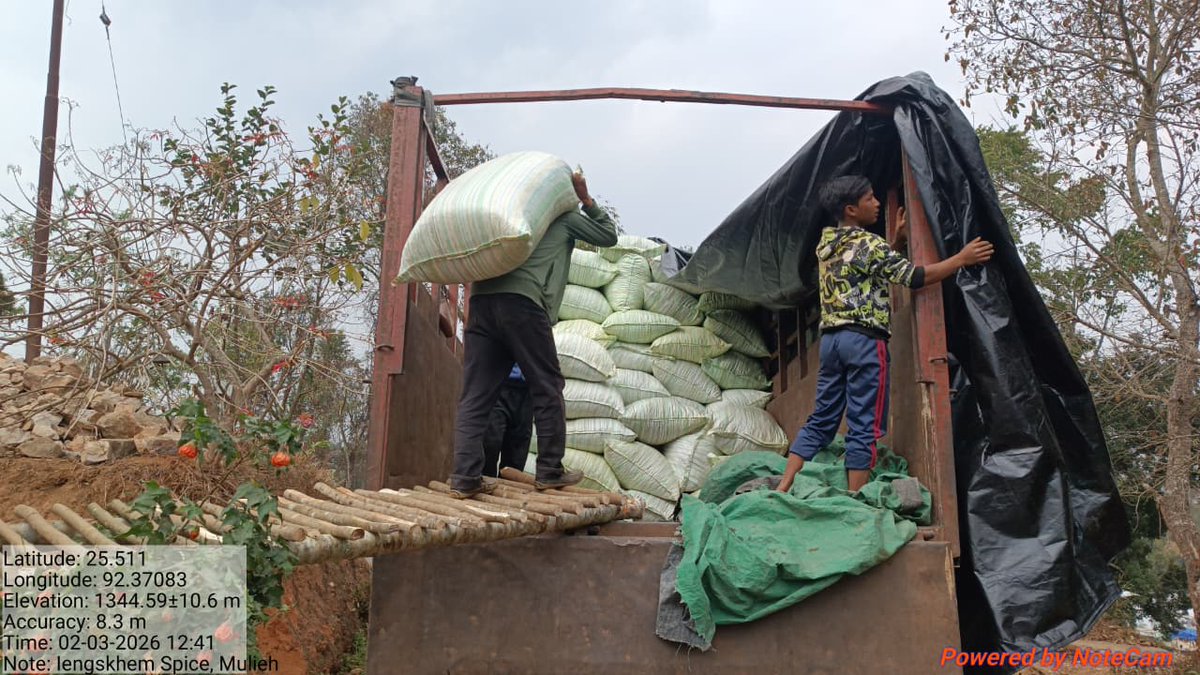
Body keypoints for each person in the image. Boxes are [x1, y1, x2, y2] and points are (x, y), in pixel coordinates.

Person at [777, 175, 994, 494]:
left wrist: (897, 242)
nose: (877, 204)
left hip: (832, 343)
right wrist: (962, 259)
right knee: (863, 422)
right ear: (851, 209)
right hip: (864, 342)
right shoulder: (868, 244)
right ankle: (854, 498)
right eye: (870, 199)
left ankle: (783, 486)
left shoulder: (827, 247)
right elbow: (915, 277)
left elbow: (867, 271)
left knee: (822, 418)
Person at [449, 171, 619, 497]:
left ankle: (464, 478)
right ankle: (550, 470)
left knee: (475, 397)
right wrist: (586, 199)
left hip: (482, 303)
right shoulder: (563, 218)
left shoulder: (503, 214)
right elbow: (608, 235)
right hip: (523, 305)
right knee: (547, 385)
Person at [481, 363, 533, 478]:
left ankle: (508, 487)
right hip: (497, 384)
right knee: (490, 443)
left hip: (527, 389)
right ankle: (484, 483)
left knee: (517, 451)